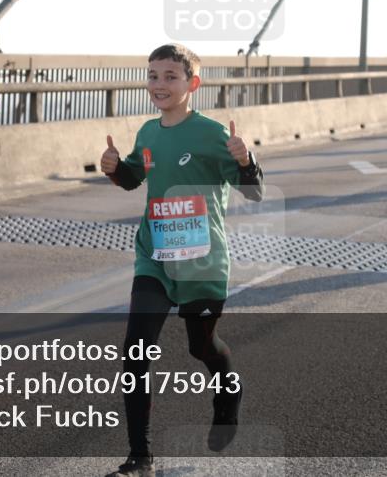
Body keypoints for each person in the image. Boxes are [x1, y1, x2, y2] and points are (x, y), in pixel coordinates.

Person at [100, 43, 264, 477]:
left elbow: (253, 191)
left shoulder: (212, 134)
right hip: (153, 255)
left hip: (202, 262)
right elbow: (135, 177)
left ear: (193, 84)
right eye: (153, 75)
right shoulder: (148, 133)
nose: (159, 84)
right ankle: (140, 458)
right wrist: (115, 167)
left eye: (170, 76)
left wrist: (246, 161)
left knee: (202, 346)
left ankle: (227, 395)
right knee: (135, 353)